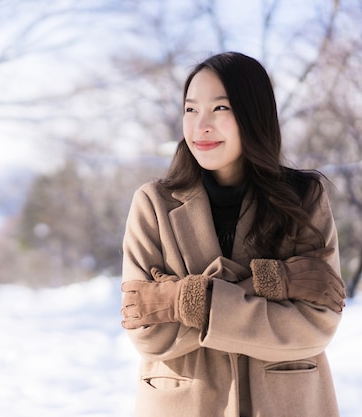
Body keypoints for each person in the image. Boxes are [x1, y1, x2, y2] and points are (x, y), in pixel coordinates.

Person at [120, 52, 346, 417]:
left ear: (253, 114)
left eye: (220, 109)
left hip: (286, 401)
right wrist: (263, 289)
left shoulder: (303, 197)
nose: (200, 126)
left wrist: (187, 300)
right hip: (183, 402)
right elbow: (147, 332)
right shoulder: (153, 203)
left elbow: (316, 323)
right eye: (191, 110)